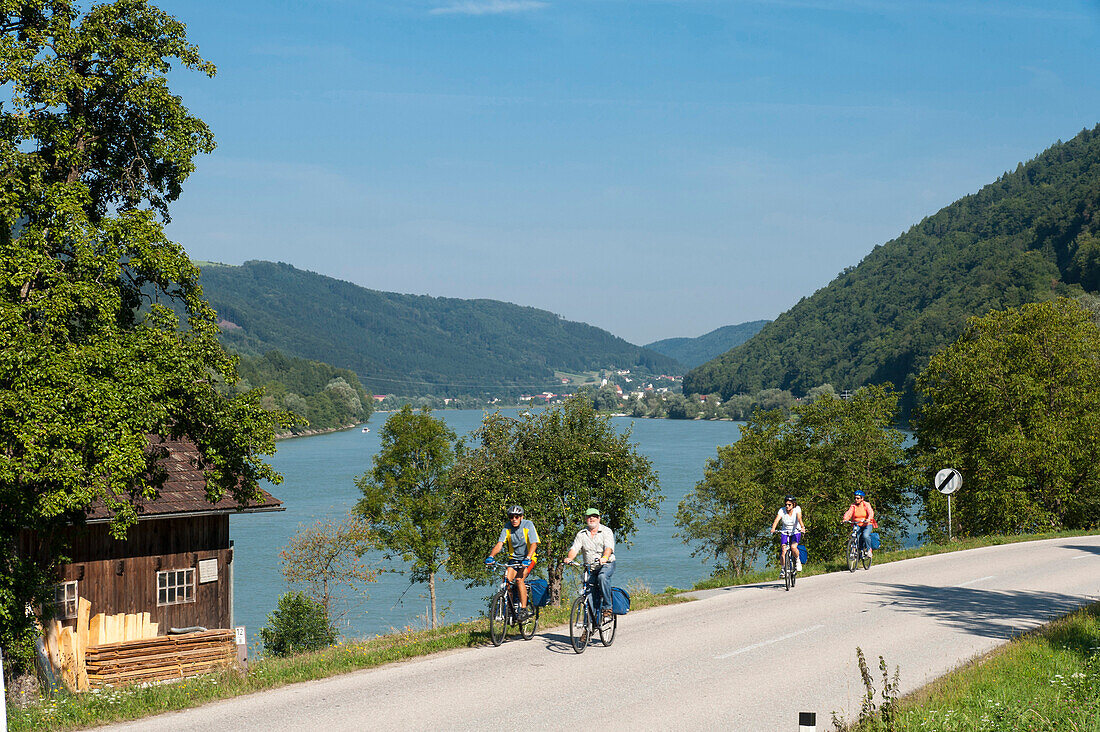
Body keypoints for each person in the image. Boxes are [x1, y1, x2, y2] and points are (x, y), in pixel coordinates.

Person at [485, 505, 539, 619]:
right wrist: (491, 556)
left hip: (528, 559)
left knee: (519, 579)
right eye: (511, 516)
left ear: (521, 517)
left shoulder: (528, 525)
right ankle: (509, 608)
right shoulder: (507, 527)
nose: (514, 519)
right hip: (514, 560)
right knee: (506, 581)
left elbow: (534, 543)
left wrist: (528, 558)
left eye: (517, 516)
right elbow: (500, 543)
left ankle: (524, 609)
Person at [563, 508, 616, 622]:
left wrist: (604, 558)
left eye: (594, 516)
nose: (591, 518)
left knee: (602, 577)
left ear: (599, 518)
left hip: (606, 565)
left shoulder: (606, 531)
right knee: (589, 596)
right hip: (590, 567)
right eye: (589, 516)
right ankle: (589, 628)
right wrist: (569, 558)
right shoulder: (581, 534)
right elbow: (574, 548)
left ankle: (607, 608)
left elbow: (608, 548)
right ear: (585, 518)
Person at [769, 495, 805, 576]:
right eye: (786, 504)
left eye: (789, 505)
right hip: (785, 532)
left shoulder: (797, 509)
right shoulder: (782, 510)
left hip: (796, 531)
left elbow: (799, 518)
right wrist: (773, 528)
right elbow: (776, 520)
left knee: (793, 547)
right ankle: (783, 569)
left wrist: (802, 527)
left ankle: (797, 560)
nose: (787, 506)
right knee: (783, 551)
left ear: (794, 505)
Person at [841, 490, 877, 558]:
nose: (856, 499)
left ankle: (869, 550)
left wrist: (869, 519)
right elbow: (849, 513)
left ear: (862, 499)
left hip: (867, 524)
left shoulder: (866, 504)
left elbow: (870, 512)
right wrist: (845, 519)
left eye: (858, 498)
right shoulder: (853, 506)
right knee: (855, 536)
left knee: (865, 536)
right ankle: (855, 551)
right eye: (855, 498)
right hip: (857, 524)